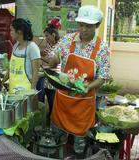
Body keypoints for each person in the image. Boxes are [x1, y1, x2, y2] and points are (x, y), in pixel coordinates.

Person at [49, 5, 110, 157]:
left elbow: (103, 77)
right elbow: (55, 56)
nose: (83, 29)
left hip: (83, 103)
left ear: (97, 25)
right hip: (62, 102)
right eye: (81, 25)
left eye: (88, 26)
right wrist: (54, 59)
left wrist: (88, 86)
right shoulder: (68, 39)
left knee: (80, 147)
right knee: (56, 140)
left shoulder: (102, 48)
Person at [4, 18, 41, 94]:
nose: (10, 33)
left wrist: (32, 91)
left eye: (12, 30)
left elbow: (35, 72)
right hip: (13, 88)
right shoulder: (15, 46)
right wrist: (2, 81)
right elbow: (10, 68)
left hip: (26, 90)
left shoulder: (32, 47)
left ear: (19, 31)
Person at [40, 18, 61, 124]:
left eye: (47, 36)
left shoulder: (59, 47)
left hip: (56, 81)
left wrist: (39, 57)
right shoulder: (50, 46)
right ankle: (49, 123)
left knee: (54, 106)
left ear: (53, 35)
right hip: (48, 81)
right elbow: (44, 53)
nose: (46, 38)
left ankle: (53, 125)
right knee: (49, 103)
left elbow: (52, 63)